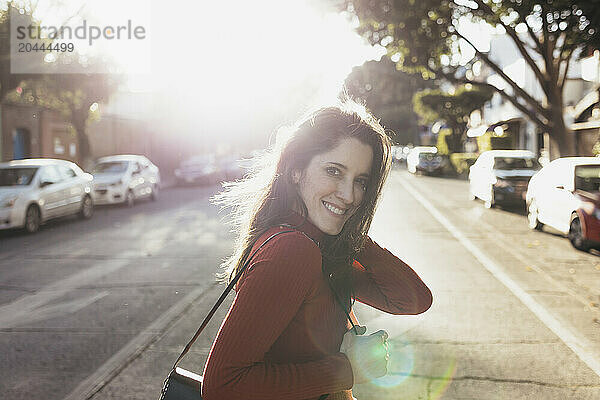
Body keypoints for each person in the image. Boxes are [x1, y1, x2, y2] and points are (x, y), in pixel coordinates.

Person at [202, 99, 432, 400]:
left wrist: (352, 235)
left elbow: (412, 299)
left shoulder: (320, 248)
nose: (349, 195)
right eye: (334, 171)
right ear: (296, 170)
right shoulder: (293, 250)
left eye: (360, 181)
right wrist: (348, 370)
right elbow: (223, 387)